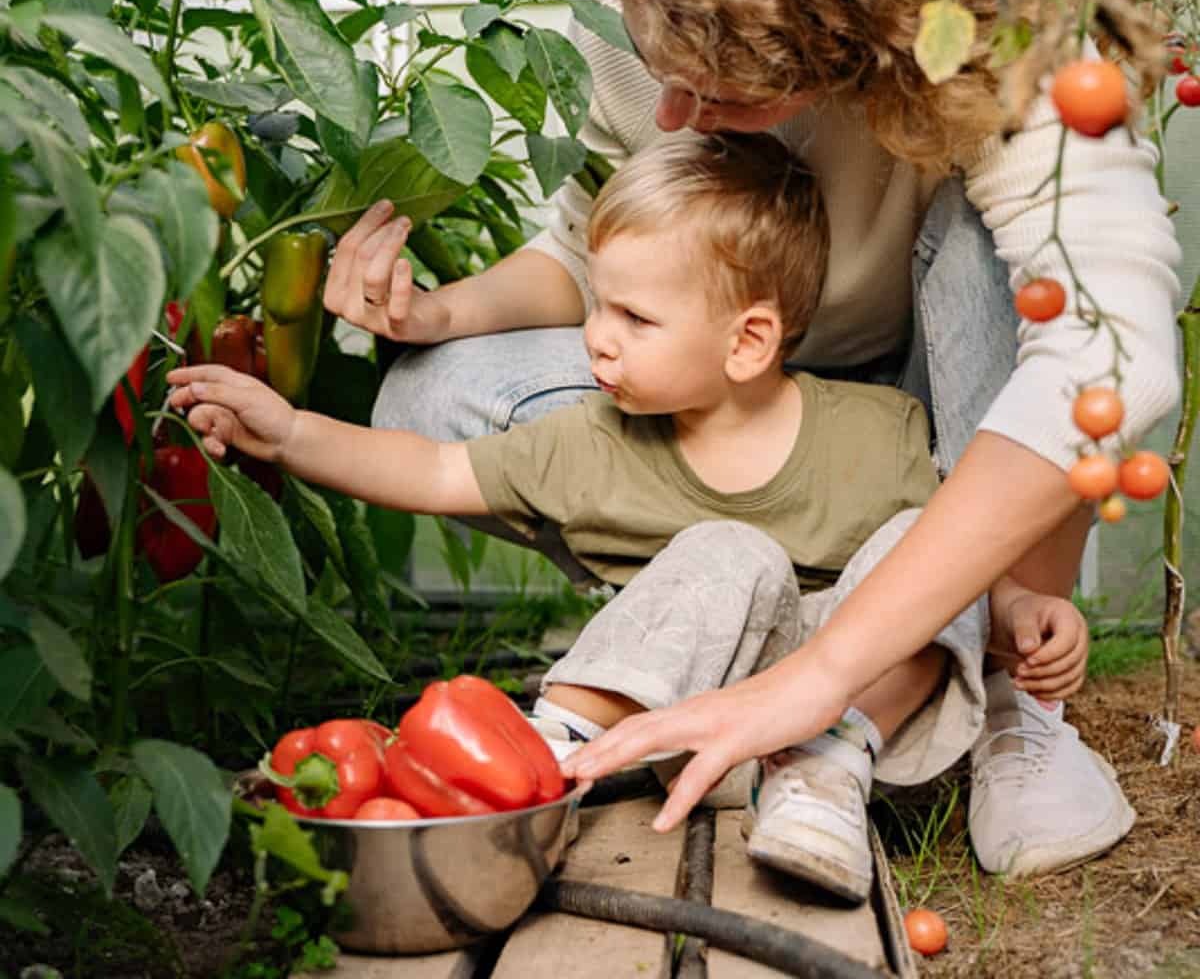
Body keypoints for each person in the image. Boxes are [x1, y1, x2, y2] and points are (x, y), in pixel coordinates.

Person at [323, 0, 1181, 877]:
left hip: (929, 410)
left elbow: (1109, 353)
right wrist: (432, 312)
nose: (672, 119)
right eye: (660, 76)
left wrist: (811, 684)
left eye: (721, 97)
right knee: (433, 389)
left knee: (1006, 259)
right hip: (738, 407)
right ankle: (758, 618)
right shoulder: (653, 7)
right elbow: (590, 251)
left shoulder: (1011, 33)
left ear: (848, 48)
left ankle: (996, 681)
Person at [170, 133, 1086, 903]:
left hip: (849, 718)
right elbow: (434, 465)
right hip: (682, 726)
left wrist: (1020, 611)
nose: (594, 337)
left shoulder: (880, 434)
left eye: (633, 316)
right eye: (596, 302)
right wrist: (290, 431)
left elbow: (962, 563)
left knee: (918, 542)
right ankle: (547, 758)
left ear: (749, 341)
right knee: (727, 550)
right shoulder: (596, 440)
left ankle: (821, 774)